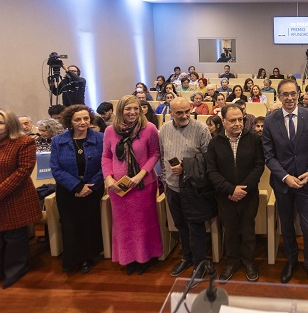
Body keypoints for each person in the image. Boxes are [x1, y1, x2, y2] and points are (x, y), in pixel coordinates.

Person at [262, 79, 308, 294]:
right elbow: (269, 156)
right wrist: (285, 177)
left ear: (298, 94)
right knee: (287, 225)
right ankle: (291, 261)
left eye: (292, 93)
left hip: (306, 182)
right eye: (285, 94)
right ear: (279, 96)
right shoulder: (270, 120)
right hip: (283, 184)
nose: (289, 98)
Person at [0, 109, 40, 289]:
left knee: (15, 239)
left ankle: (15, 271)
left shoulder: (24, 142)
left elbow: (22, 172)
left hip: (14, 199)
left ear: (10, 124)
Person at [102, 95, 162, 275]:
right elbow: (106, 156)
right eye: (128, 108)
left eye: (136, 108)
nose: (132, 112)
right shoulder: (110, 131)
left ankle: (145, 257)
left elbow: (155, 154)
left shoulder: (149, 128)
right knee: (124, 225)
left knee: (144, 223)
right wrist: (108, 178)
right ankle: (128, 258)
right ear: (121, 110)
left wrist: (140, 175)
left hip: (143, 184)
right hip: (119, 187)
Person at [207, 104, 264, 281]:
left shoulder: (253, 138)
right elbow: (211, 171)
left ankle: (248, 261)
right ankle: (232, 261)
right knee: (230, 230)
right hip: (225, 195)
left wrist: (243, 189)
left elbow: (259, 165)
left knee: (248, 229)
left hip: (248, 194)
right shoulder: (215, 142)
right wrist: (230, 189)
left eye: (240, 119)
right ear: (223, 121)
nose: (238, 123)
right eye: (232, 120)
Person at [159, 97, 214, 278]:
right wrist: (165, 181)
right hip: (172, 187)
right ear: (171, 113)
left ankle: (199, 263)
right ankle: (187, 257)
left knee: (196, 227)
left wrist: (186, 167)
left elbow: (208, 159)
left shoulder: (201, 129)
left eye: (187, 112)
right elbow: (162, 156)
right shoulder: (164, 129)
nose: (184, 116)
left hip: (193, 188)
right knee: (181, 225)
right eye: (179, 113)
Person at [50, 105, 104, 274]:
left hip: (93, 188)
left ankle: (88, 257)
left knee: (89, 223)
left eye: (86, 118)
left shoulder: (101, 138)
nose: (83, 122)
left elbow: (105, 165)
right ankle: (72, 258)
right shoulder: (57, 141)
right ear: (70, 121)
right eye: (77, 119)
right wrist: (77, 186)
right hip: (68, 190)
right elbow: (56, 169)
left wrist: (90, 186)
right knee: (70, 224)